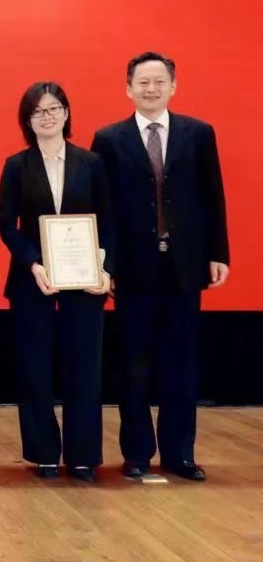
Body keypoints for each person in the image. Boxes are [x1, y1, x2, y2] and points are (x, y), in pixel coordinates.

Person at [91, 52, 229, 481]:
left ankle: (179, 453)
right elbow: (101, 208)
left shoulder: (198, 133)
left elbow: (213, 196)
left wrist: (218, 252)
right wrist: (104, 264)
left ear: (173, 86)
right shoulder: (108, 139)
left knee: (181, 363)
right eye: (143, 82)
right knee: (133, 365)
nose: (151, 89)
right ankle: (136, 453)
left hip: (184, 265)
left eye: (159, 82)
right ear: (128, 88)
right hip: (132, 268)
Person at [0, 82, 113, 482]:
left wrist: (104, 269)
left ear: (65, 113)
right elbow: (5, 224)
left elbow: (108, 221)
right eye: (37, 112)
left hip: (85, 280)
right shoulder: (17, 165)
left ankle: (83, 456)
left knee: (84, 368)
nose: (46, 117)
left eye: (53, 109)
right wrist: (33, 263)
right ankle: (44, 453)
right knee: (35, 368)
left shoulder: (92, 163)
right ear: (27, 120)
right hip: (33, 281)